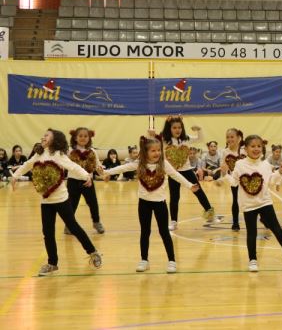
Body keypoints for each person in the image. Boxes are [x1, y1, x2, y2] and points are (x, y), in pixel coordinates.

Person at [11, 129, 102, 276]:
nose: (43, 137)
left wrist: (86, 176)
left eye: (47, 135)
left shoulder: (59, 155)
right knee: (47, 232)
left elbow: (73, 166)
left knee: (74, 226)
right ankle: (52, 263)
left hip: (61, 199)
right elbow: (28, 164)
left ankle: (93, 252)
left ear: (55, 140)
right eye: (43, 135)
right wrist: (15, 175)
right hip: (45, 200)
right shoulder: (39, 154)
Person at [103, 135, 199, 273]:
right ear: (146, 152)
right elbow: (123, 168)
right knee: (145, 232)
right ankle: (144, 260)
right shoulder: (140, 164)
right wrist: (106, 171)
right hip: (144, 203)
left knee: (164, 232)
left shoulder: (164, 164)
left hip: (160, 203)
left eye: (159, 150)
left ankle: (172, 260)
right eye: (153, 151)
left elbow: (176, 176)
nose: (157, 153)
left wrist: (190, 185)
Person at [222, 135, 282, 273]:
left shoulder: (266, 165)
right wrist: (224, 174)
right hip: (248, 205)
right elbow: (234, 182)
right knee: (252, 232)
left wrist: (280, 172)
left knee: (277, 229)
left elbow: (272, 182)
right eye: (253, 146)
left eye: (259, 146)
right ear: (246, 148)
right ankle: (253, 260)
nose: (256, 149)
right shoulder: (240, 164)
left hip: (265, 202)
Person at [155, 116, 215, 230]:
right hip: (173, 172)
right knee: (174, 197)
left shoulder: (186, 139)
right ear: (169, 128)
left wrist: (199, 130)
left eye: (180, 127)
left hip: (187, 170)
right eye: (174, 128)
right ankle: (173, 221)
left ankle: (210, 215)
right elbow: (153, 142)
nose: (178, 130)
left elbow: (200, 139)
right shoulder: (164, 140)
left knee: (199, 191)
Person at [65, 128, 105, 235]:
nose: (83, 138)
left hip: (88, 182)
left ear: (89, 138)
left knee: (93, 204)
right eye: (80, 136)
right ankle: (69, 225)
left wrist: (101, 170)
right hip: (73, 182)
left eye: (85, 136)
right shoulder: (69, 151)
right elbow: (65, 164)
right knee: (72, 204)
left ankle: (96, 222)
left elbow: (97, 165)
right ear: (75, 138)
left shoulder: (92, 152)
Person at [220, 128, 246, 231]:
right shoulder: (225, 152)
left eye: (232, 137)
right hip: (234, 180)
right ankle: (235, 223)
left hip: (247, 179)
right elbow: (224, 169)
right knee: (235, 200)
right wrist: (223, 175)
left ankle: (263, 217)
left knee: (253, 200)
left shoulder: (245, 149)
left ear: (238, 138)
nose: (229, 139)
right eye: (227, 137)